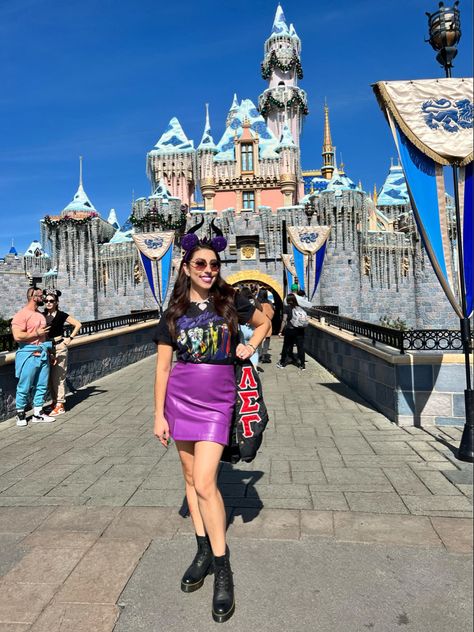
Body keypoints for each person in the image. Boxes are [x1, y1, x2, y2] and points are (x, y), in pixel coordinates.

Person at [153, 222, 269, 624]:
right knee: (189, 479)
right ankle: (201, 549)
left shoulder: (231, 301)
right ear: (186, 267)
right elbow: (163, 367)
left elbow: (266, 321)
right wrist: (158, 414)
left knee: (205, 482)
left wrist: (250, 344)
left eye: (214, 263)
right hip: (180, 399)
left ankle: (223, 569)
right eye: (200, 263)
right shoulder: (174, 312)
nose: (207, 269)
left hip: (219, 398)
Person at [11, 287, 54, 426]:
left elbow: (44, 335)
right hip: (28, 354)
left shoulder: (40, 315)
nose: (44, 297)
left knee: (41, 385)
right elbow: (17, 336)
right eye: (41, 295)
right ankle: (20, 414)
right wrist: (36, 333)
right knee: (25, 385)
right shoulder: (21, 315)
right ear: (33, 296)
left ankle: (38, 413)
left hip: (43, 353)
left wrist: (50, 353)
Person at [43, 290, 82, 416]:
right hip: (47, 348)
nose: (48, 303)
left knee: (58, 377)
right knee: (49, 378)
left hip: (59, 347)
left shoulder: (61, 315)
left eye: (51, 301)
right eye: (46, 301)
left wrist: (69, 339)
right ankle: (54, 402)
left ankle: (60, 404)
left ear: (56, 302)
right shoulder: (42, 315)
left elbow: (78, 324)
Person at [276, 293, 307, 371]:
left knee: (286, 346)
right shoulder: (300, 307)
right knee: (300, 347)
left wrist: (280, 331)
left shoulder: (287, 308)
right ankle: (302, 365)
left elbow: (284, 320)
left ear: (288, 300)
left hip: (290, 330)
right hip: (300, 330)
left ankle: (282, 363)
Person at [237, 287, 262, 367]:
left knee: (243, 348)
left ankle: (245, 367)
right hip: (254, 329)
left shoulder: (241, 303)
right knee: (254, 350)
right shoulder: (256, 302)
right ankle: (254, 368)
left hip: (243, 328)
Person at [257, 288, 275, 363]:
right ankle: (264, 354)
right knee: (267, 340)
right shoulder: (269, 303)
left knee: (259, 339)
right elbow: (271, 314)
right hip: (267, 323)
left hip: (258, 324)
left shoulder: (256, 303)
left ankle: (259, 354)